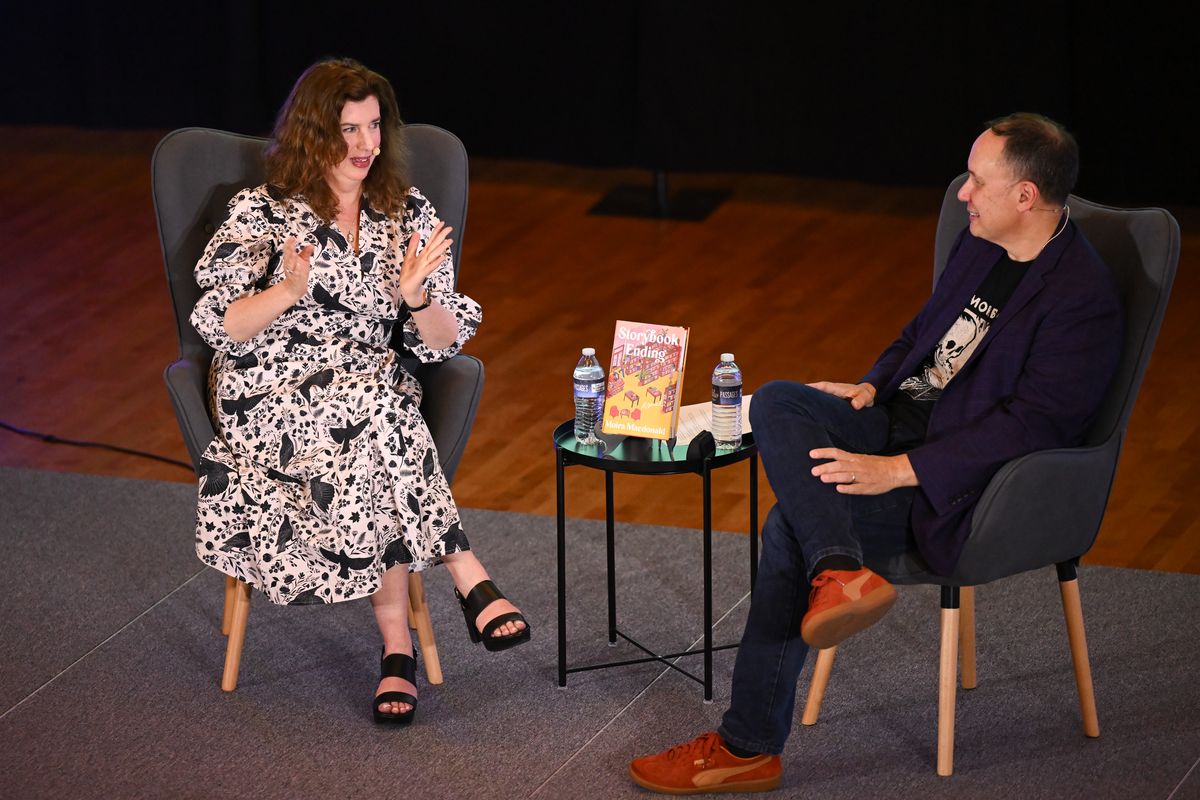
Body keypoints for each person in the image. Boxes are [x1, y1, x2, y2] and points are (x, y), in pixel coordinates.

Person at [629, 113, 1123, 793]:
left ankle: (747, 745)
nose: (962, 194)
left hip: (963, 482)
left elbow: (1031, 430)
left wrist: (899, 470)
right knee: (778, 400)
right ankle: (842, 572)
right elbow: (919, 332)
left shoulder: (1081, 300)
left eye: (978, 181)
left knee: (787, 527)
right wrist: (871, 385)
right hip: (893, 421)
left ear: (1026, 197)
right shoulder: (982, 243)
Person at [190, 57, 529, 726]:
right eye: (349, 129)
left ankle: (398, 650)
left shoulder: (405, 213)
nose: (367, 145)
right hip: (269, 388)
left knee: (380, 415)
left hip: (368, 385)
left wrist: (417, 295)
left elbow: (439, 340)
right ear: (314, 133)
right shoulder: (262, 213)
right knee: (385, 413)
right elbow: (219, 324)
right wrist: (286, 290)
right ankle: (462, 574)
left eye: (375, 126)